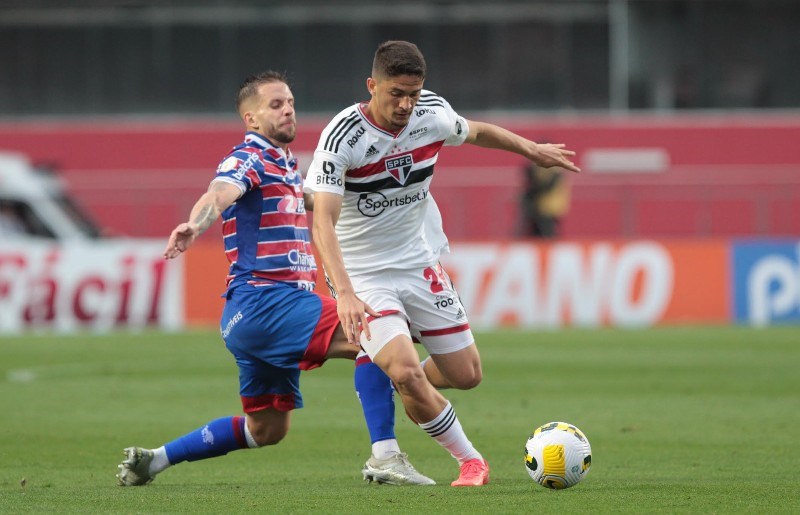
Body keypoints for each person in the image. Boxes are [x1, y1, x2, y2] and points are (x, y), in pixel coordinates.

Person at [304, 40, 580, 487]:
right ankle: (471, 462)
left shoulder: (430, 112)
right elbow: (323, 222)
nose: (406, 104)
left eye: (413, 93)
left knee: (466, 375)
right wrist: (346, 291)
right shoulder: (342, 136)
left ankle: (403, 380)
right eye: (396, 93)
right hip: (363, 272)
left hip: (417, 260)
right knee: (407, 367)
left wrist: (532, 150)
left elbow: (477, 131)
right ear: (372, 86)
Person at [116, 71, 381, 486]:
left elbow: (313, 200)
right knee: (377, 335)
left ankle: (156, 460)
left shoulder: (286, 164)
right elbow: (220, 192)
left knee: (267, 431)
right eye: (276, 105)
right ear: (251, 119)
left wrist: (368, 197)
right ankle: (389, 453)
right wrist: (194, 224)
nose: (288, 109)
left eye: (290, 101)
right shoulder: (250, 157)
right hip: (269, 302)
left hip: (247, 317)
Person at [519, 162, 571, 238]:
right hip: (542, 207)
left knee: (547, 232)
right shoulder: (554, 172)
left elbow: (545, 187)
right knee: (537, 232)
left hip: (547, 207)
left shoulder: (555, 173)